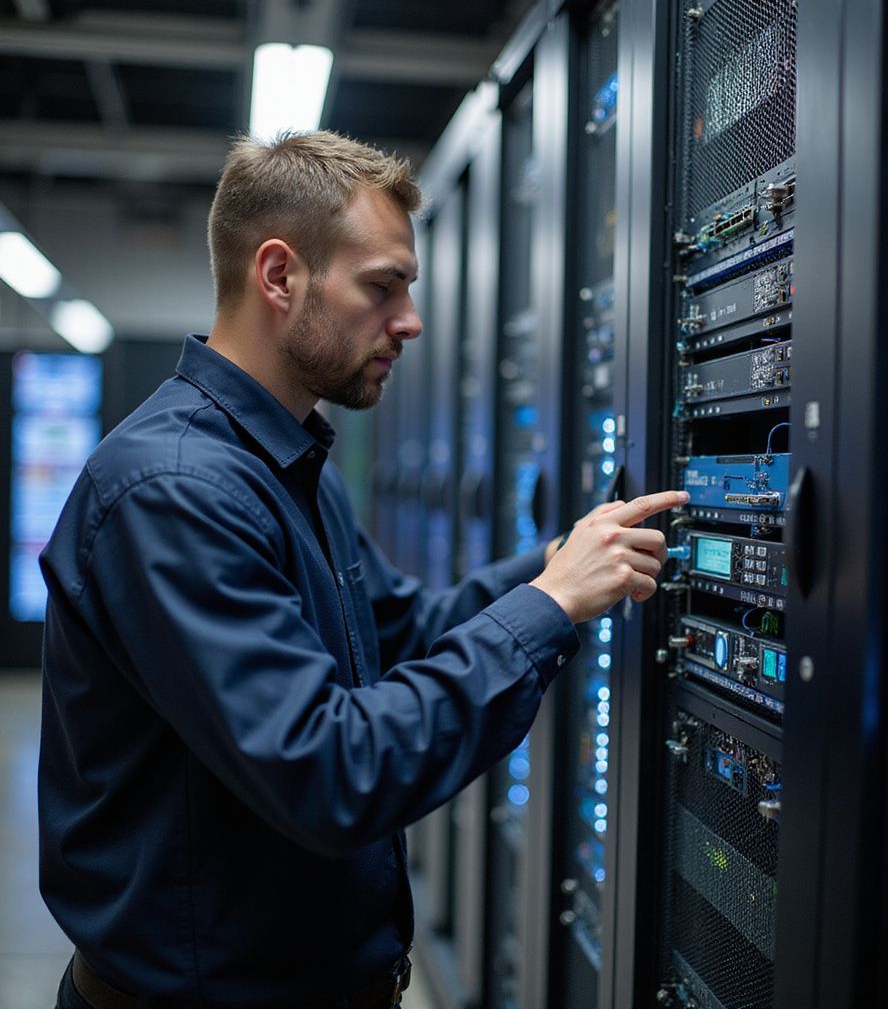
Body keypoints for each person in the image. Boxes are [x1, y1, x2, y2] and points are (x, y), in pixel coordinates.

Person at [38, 130, 687, 1009]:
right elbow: (330, 772)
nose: (410, 320)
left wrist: (560, 564)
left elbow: (404, 630)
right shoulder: (175, 490)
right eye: (383, 287)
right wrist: (546, 606)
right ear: (279, 276)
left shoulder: (283, 460)